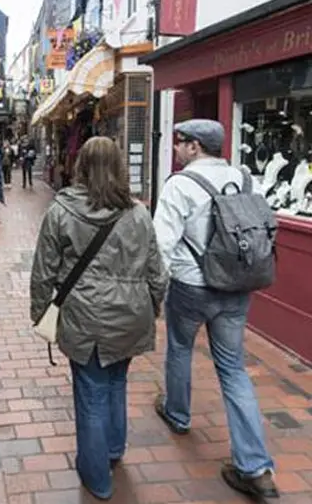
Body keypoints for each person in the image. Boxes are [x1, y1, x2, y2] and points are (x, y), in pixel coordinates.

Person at [30, 136, 167, 501]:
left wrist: (41, 315)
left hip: (85, 318)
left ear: (82, 166)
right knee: (116, 383)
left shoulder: (61, 211)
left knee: (91, 394)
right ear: (120, 168)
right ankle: (112, 450)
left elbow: (43, 271)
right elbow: (158, 272)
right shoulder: (138, 213)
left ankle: (97, 478)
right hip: (130, 315)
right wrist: (152, 307)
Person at [152, 119, 279, 501]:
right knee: (233, 369)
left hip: (192, 286)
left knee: (179, 348)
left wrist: (155, 290)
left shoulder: (180, 184)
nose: (176, 149)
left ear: (194, 147)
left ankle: (178, 414)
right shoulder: (244, 179)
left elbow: (161, 243)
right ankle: (255, 467)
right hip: (237, 288)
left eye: (180, 143)